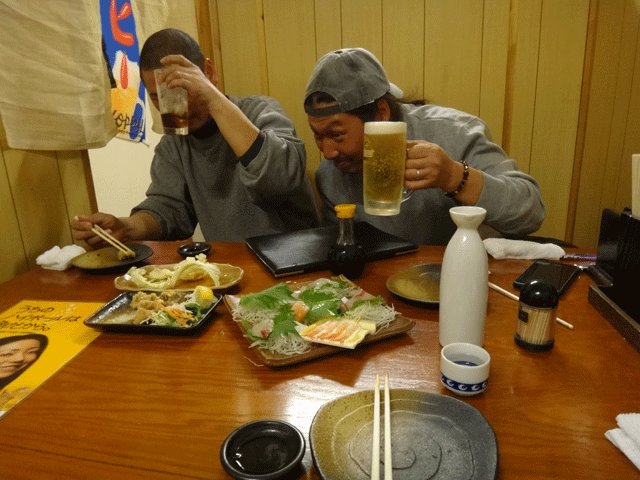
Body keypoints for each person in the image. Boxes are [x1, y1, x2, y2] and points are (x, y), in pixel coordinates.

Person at [73, 28, 319, 246]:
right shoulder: (174, 144)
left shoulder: (260, 111)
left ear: (208, 73)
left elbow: (279, 180)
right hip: (231, 268)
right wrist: (124, 227)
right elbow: (169, 210)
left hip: (294, 261)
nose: (174, 107)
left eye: (182, 89)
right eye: (159, 97)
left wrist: (212, 98)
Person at [304, 48, 545, 245]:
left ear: (380, 115)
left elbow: (530, 212)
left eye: (336, 135)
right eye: (317, 136)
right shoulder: (330, 173)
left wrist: (453, 176)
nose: (327, 153)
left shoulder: (455, 133)